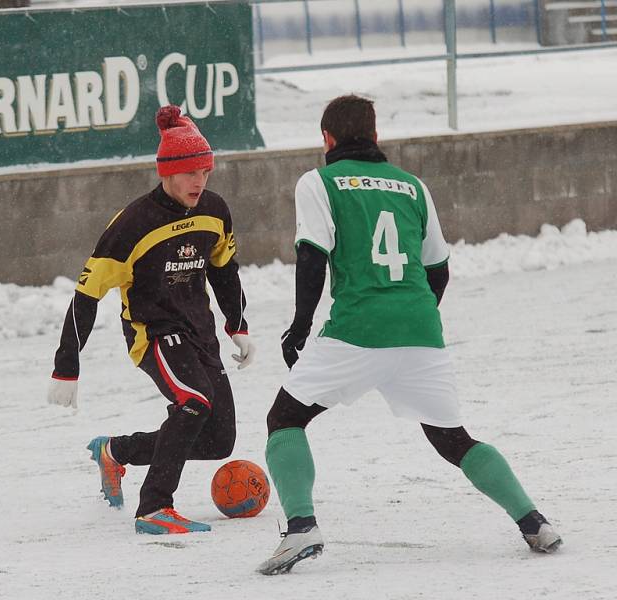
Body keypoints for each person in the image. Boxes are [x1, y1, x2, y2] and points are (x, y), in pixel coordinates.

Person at [257, 95, 562, 575]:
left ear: (327, 139)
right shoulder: (412, 186)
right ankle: (534, 521)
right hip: (421, 329)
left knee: (285, 418)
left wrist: (299, 327)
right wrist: (411, 320)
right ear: (376, 137)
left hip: (357, 328)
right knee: (453, 439)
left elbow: (312, 256)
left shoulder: (318, 182)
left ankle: (300, 529)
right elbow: (438, 270)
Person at [47, 105, 255, 535]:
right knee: (193, 401)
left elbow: (224, 268)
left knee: (218, 439)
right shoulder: (132, 224)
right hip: (155, 334)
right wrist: (67, 364)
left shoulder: (214, 210)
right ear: (167, 173)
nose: (199, 182)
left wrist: (237, 325)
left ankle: (115, 452)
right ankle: (155, 507)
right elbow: (86, 294)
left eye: (206, 172)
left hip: (200, 333)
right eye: (190, 173)